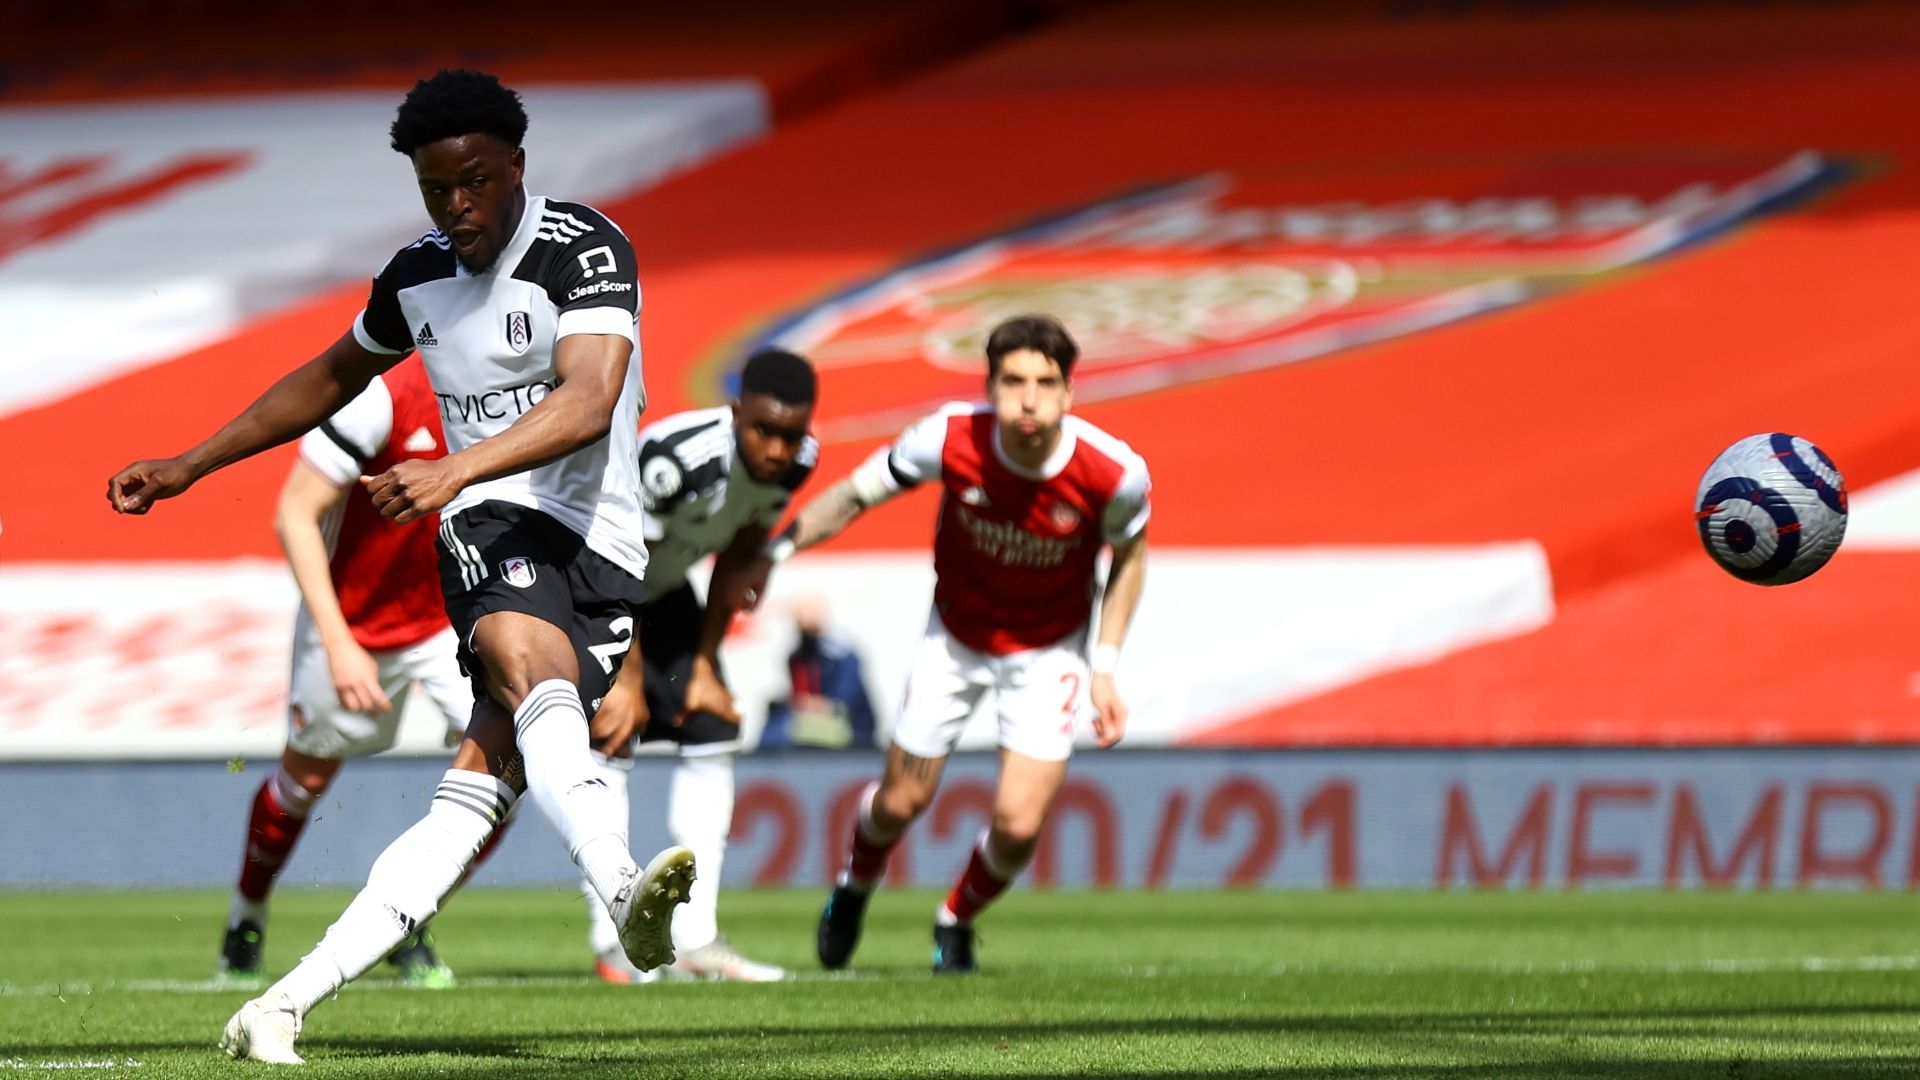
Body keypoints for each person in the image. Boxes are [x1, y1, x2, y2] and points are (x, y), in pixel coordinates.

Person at [105, 69, 693, 1064]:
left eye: (472, 180)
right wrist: (191, 462)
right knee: (531, 669)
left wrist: (452, 461)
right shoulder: (416, 274)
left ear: (515, 165)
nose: (456, 206)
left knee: (472, 795)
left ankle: (281, 1006)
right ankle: (622, 883)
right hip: (490, 526)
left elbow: (593, 397)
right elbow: (331, 375)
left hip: (602, 543)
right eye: (434, 188)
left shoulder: (584, 249)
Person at [730, 313, 1150, 974]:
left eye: (1045, 382)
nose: (1030, 399)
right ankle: (853, 885)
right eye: (1013, 381)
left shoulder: (1113, 474)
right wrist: (776, 550)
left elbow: (1130, 558)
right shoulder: (949, 438)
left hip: (1049, 649)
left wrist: (1105, 666)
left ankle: (955, 919)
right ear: (989, 385)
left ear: (1069, 393)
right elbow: (854, 494)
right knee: (900, 803)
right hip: (955, 638)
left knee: (1016, 826)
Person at [220, 354, 494, 990]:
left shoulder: (518, 388)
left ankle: (406, 918)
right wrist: (339, 645)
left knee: (509, 771)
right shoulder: (382, 396)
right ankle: (247, 915)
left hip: (448, 620)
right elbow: (294, 513)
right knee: (306, 778)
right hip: (353, 621)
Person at [585, 347, 817, 985]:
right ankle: (613, 943)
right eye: (763, 430)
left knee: (712, 727)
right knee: (614, 733)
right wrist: (626, 681)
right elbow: (617, 562)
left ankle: (697, 941)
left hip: (661, 593)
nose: (776, 449)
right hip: (592, 591)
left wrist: (709, 662)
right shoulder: (675, 462)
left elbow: (737, 556)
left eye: (791, 435)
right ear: (736, 412)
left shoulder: (798, 463)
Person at [758, 594, 877, 751]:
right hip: (816, 724)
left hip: (851, 728)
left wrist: (802, 705)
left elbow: (840, 706)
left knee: (780, 728)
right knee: (776, 721)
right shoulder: (797, 658)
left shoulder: (841, 657)